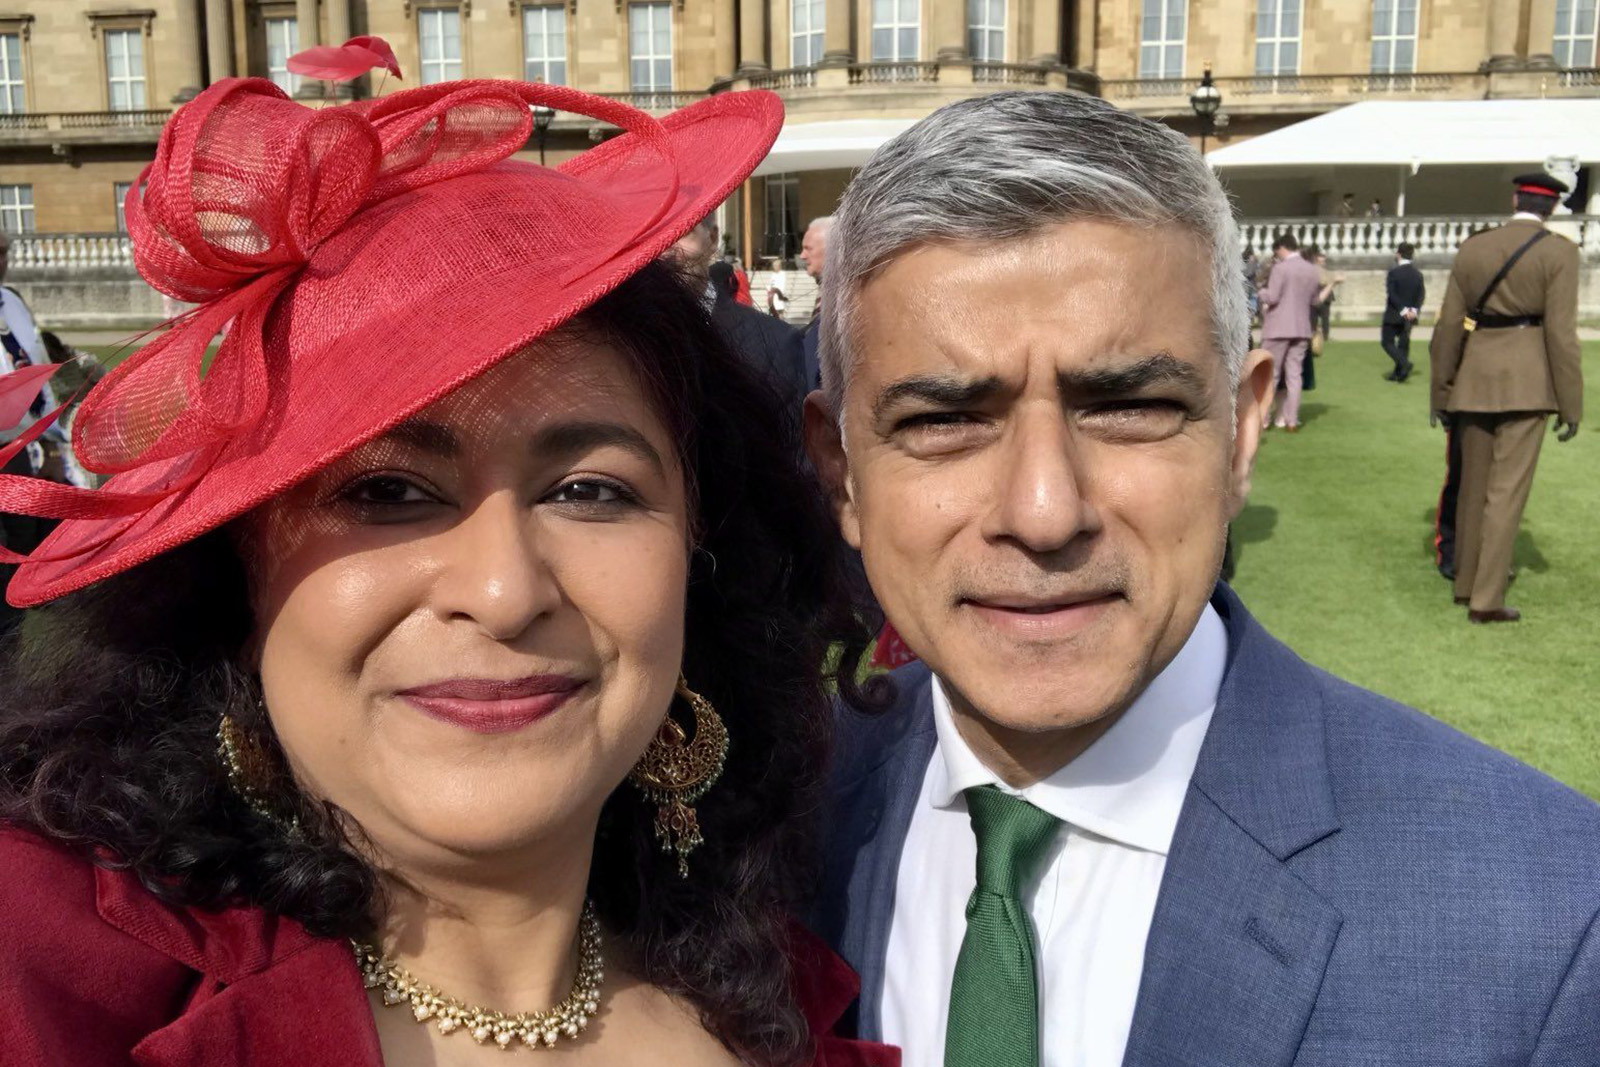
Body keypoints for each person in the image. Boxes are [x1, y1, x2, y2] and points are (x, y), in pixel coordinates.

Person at [0, 77, 893, 1067]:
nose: (504, 590)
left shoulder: (809, 1019)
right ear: (234, 586)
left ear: (700, 559)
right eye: (387, 491)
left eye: (590, 491)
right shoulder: (47, 985)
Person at [802, 90, 1600, 1067]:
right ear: (839, 471)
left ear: (1241, 431)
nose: (1044, 509)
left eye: (1129, 404)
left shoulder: (1543, 917)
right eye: (940, 419)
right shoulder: (760, 816)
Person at [1428, 172, 1582, 623]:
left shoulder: (1475, 247)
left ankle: (1466, 583)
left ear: (1515, 198)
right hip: (1527, 381)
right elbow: (1561, 335)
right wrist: (1571, 404)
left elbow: (1449, 326)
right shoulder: (1559, 252)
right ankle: (1486, 599)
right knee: (1505, 493)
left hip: (1474, 377)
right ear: (1552, 207)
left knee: (1473, 489)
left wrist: (1441, 390)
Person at [1256, 232, 1321, 432]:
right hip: (1301, 328)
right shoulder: (1311, 269)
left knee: (1271, 375)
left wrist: (1260, 292)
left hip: (1278, 328)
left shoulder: (1280, 268)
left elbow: (1273, 297)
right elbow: (1314, 300)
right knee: (1295, 376)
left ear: (1282, 248)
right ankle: (1291, 420)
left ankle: (1264, 419)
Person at [1380, 242, 1425, 382]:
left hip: (1394, 313)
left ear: (1398, 254)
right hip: (1410, 315)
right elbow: (1421, 294)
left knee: (1387, 342)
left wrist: (1403, 310)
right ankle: (1399, 373)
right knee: (1403, 344)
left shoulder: (1394, 273)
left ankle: (1404, 364)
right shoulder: (1417, 274)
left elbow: (1392, 294)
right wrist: (1413, 310)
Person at [799, 216, 834, 391]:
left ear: (832, 250)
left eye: (808, 249)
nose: (802, 255)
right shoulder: (825, 290)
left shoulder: (846, 300)